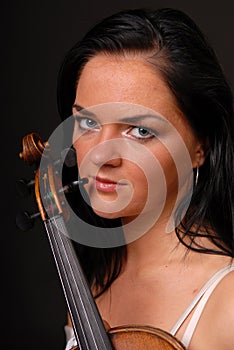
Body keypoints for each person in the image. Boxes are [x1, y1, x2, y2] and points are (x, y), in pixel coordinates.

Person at [56, 7, 234, 349]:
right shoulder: (92, 282)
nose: (100, 156)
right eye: (88, 123)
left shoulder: (226, 306)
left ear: (201, 146)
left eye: (139, 130)